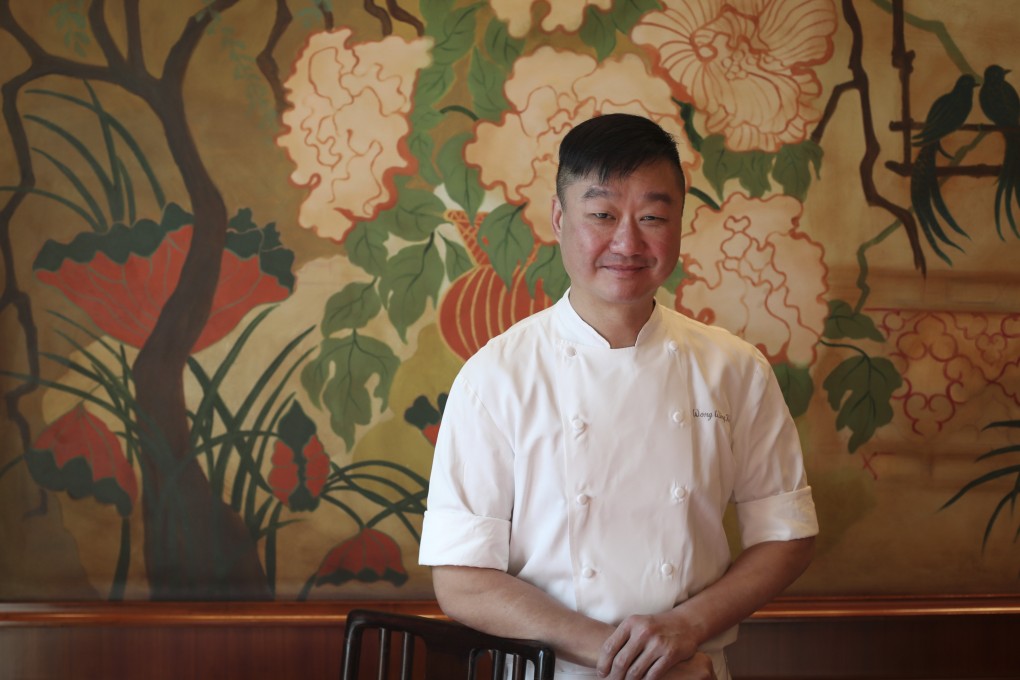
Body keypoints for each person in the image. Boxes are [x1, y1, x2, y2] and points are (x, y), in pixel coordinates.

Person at [418, 113, 818, 680]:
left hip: (693, 668)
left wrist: (687, 626)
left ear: (680, 223)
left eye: (652, 217)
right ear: (559, 218)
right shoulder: (496, 377)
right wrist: (628, 654)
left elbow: (787, 535)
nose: (627, 242)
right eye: (602, 215)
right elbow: (460, 581)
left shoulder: (734, 369)